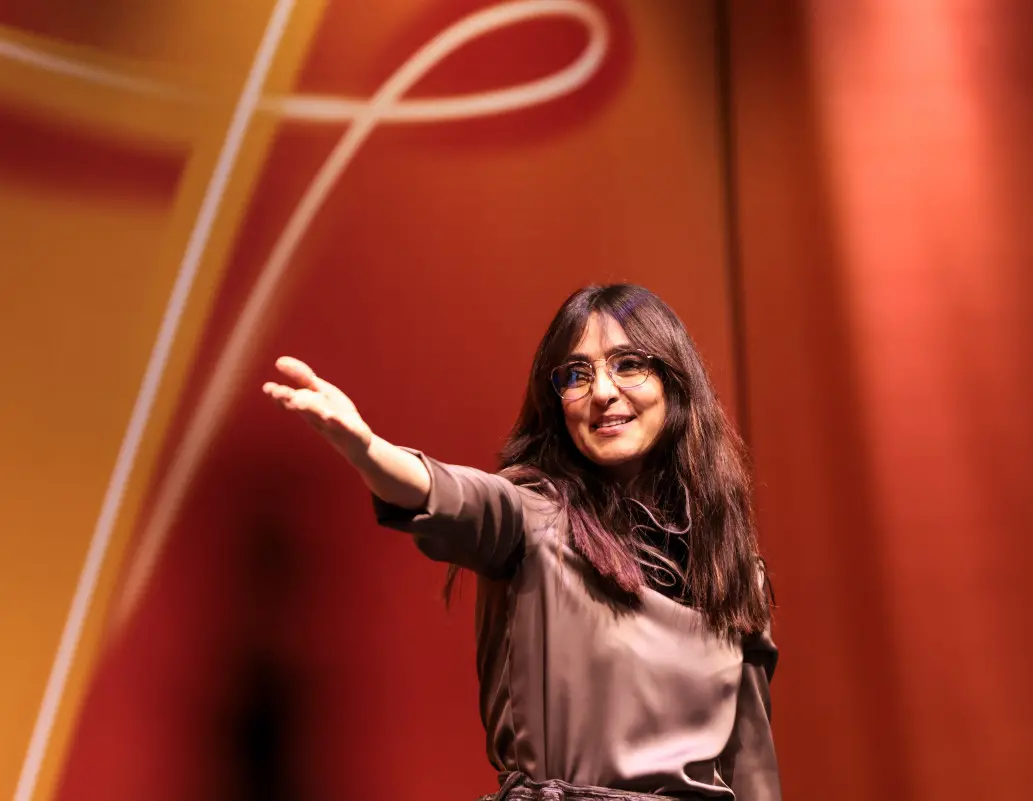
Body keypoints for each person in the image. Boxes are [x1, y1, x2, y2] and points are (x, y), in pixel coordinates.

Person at [262, 284, 781, 801]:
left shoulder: (731, 567)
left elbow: (753, 769)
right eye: (576, 375)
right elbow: (455, 495)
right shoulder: (535, 517)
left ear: (675, 382)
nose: (601, 391)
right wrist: (368, 449)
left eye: (627, 364)